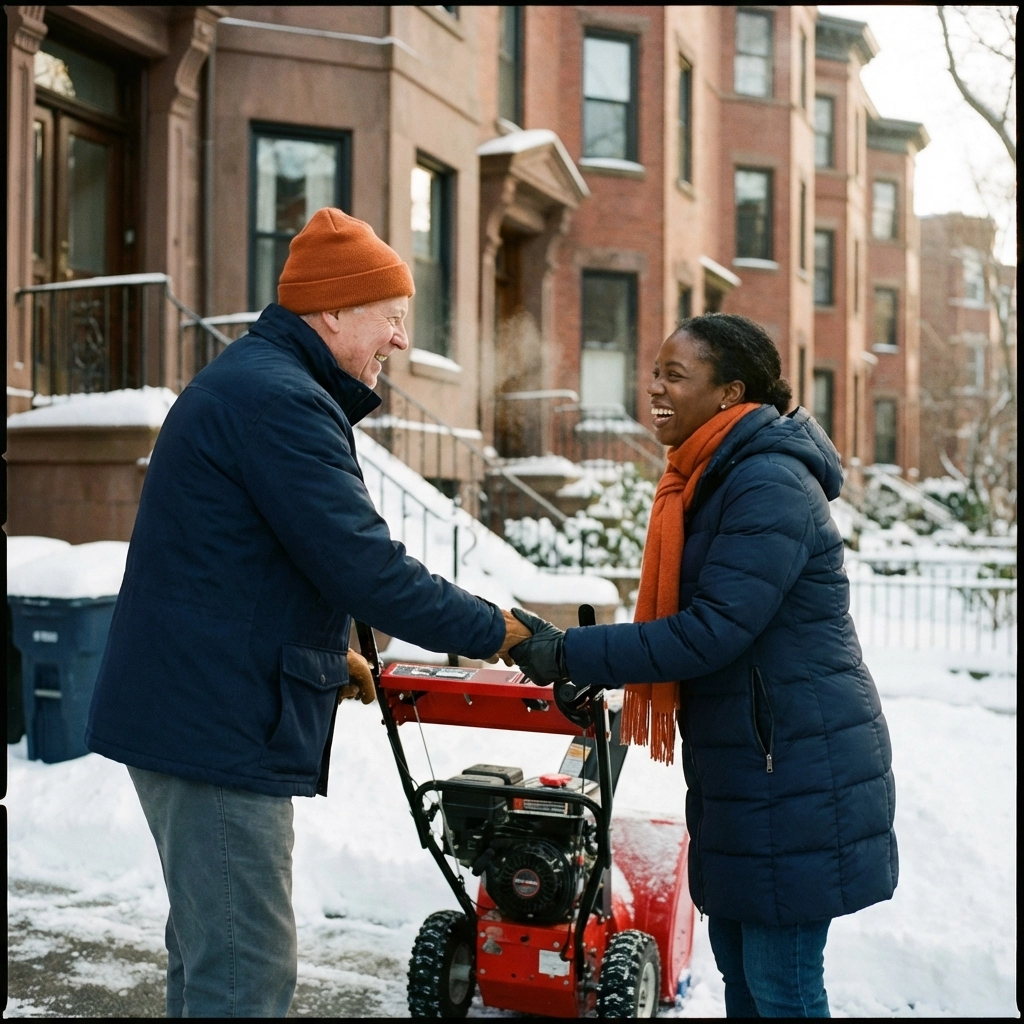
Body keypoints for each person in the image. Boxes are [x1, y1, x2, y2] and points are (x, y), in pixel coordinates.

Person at [86, 208, 530, 1018]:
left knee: (210, 956)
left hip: (196, 706)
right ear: (332, 312)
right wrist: (500, 630)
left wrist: (332, 659)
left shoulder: (262, 385)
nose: (401, 340)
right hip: (213, 726)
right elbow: (367, 567)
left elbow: (249, 560)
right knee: (244, 976)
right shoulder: (279, 402)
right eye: (392, 318)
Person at [509, 313, 897, 1018]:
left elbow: (709, 632)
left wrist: (572, 651)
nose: (654, 387)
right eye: (654, 371)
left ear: (730, 393)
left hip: (796, 769)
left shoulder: (768, 483)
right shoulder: (708, 476)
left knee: (782, 989)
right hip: (749, 768)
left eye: (674, 374)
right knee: (746, 984)